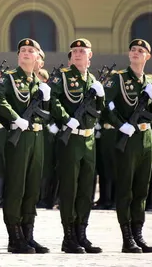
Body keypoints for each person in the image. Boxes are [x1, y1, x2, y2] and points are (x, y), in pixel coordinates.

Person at [0, 38, 51, 254]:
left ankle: (28, 235)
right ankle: (15, 237)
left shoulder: (38, 84)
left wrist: (46, 100)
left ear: (38, 57)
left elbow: (46, 115)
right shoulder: (9, 79)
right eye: (23, 50)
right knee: (16, 187)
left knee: (32, 188)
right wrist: (15, 118)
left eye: (31, 50)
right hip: (17, 138)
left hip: (37, 139)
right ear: (18, 56)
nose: (26, 53)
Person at [50, 39, 104, 253]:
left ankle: (82, 233)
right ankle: (69, 237)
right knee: (70, 188)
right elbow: (52, 99)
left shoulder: (92, 79)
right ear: (70, 56)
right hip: (71, 138)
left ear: (90, 56)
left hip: (89, 139)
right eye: (75, 51)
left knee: (86, 189)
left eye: (83, 51)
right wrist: (65, 119)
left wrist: (101, 95)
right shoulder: (63, 76)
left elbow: (99, 110)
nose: (78, 54)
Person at [105, 39, 152, 253]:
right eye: (133, 50)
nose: (136, 53)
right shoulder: (118, 79)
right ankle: (127, 238)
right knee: (126, 189)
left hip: (146, 139)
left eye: (141, 51)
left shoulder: (150, 80)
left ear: (148, 56)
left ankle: (138, 234)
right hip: (127, 138)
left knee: (141, 190)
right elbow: (106, 107)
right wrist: (121, 125)